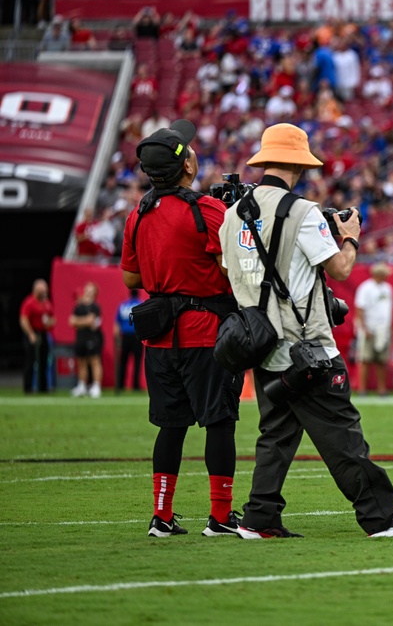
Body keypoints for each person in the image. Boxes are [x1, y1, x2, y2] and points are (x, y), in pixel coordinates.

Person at [219, 123, 393, 538]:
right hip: (306, 347)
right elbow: (341, 269)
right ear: (298, 164)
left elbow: (230, 272)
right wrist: (350, 237)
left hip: (260, 343)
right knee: (341, 431)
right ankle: (379, 514)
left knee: (276, 434)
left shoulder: (232, 213)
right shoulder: (303, 211)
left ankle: (260, 517)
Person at [121, 118, 243, 538]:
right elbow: (232, 269)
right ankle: (221, 517)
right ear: (187, 166)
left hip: (158, 338)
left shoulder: (138, 214)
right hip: (205, 333)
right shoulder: (207, 209)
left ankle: (162, 515)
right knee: (219, 422)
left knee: (170, 426)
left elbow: (131, 277)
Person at [354, 262, 393, 397]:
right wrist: (363, 328)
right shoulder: (365, 288)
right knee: (365, 359)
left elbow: (389, 309)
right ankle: (362, 389)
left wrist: (390, 328)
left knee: (382, 360)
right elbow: (360, 309)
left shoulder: (387, 288)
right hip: (369, 327)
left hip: (383, 329)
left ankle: (382, 389)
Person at [20, 278, 55, 393]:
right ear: (36, 290)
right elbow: (23, 319)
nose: (44, 292)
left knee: (44, 360)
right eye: (42, 289)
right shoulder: (29, 302)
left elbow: (52, 318)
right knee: (31, 360)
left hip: (43, 333)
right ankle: (28, 387)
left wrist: (50, 323)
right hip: (32, 332)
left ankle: (43, 387)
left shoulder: (47, 303)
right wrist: (30, 334)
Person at [69, 281, 104, 398]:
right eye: (87, 289)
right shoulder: (78, 306)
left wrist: (79, 321)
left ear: (94, 293)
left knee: (94, 361)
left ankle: (96, 386)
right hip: (80, 338)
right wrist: (84, 321)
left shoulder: (95, 307)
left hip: (92, 338)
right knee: (81, 362)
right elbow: (71, 321)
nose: (88, 292)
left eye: (91, 290)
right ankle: (82, 386)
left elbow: (92, 322)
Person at [115, 288, 144, 393]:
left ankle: (120, 385)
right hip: (137, 336)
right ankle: (136, 385)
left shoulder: (123, 306)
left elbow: (117, 324)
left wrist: (117, 340)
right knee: (137, 362)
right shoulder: (141, 305)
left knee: (123, 362)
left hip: (125, 337)